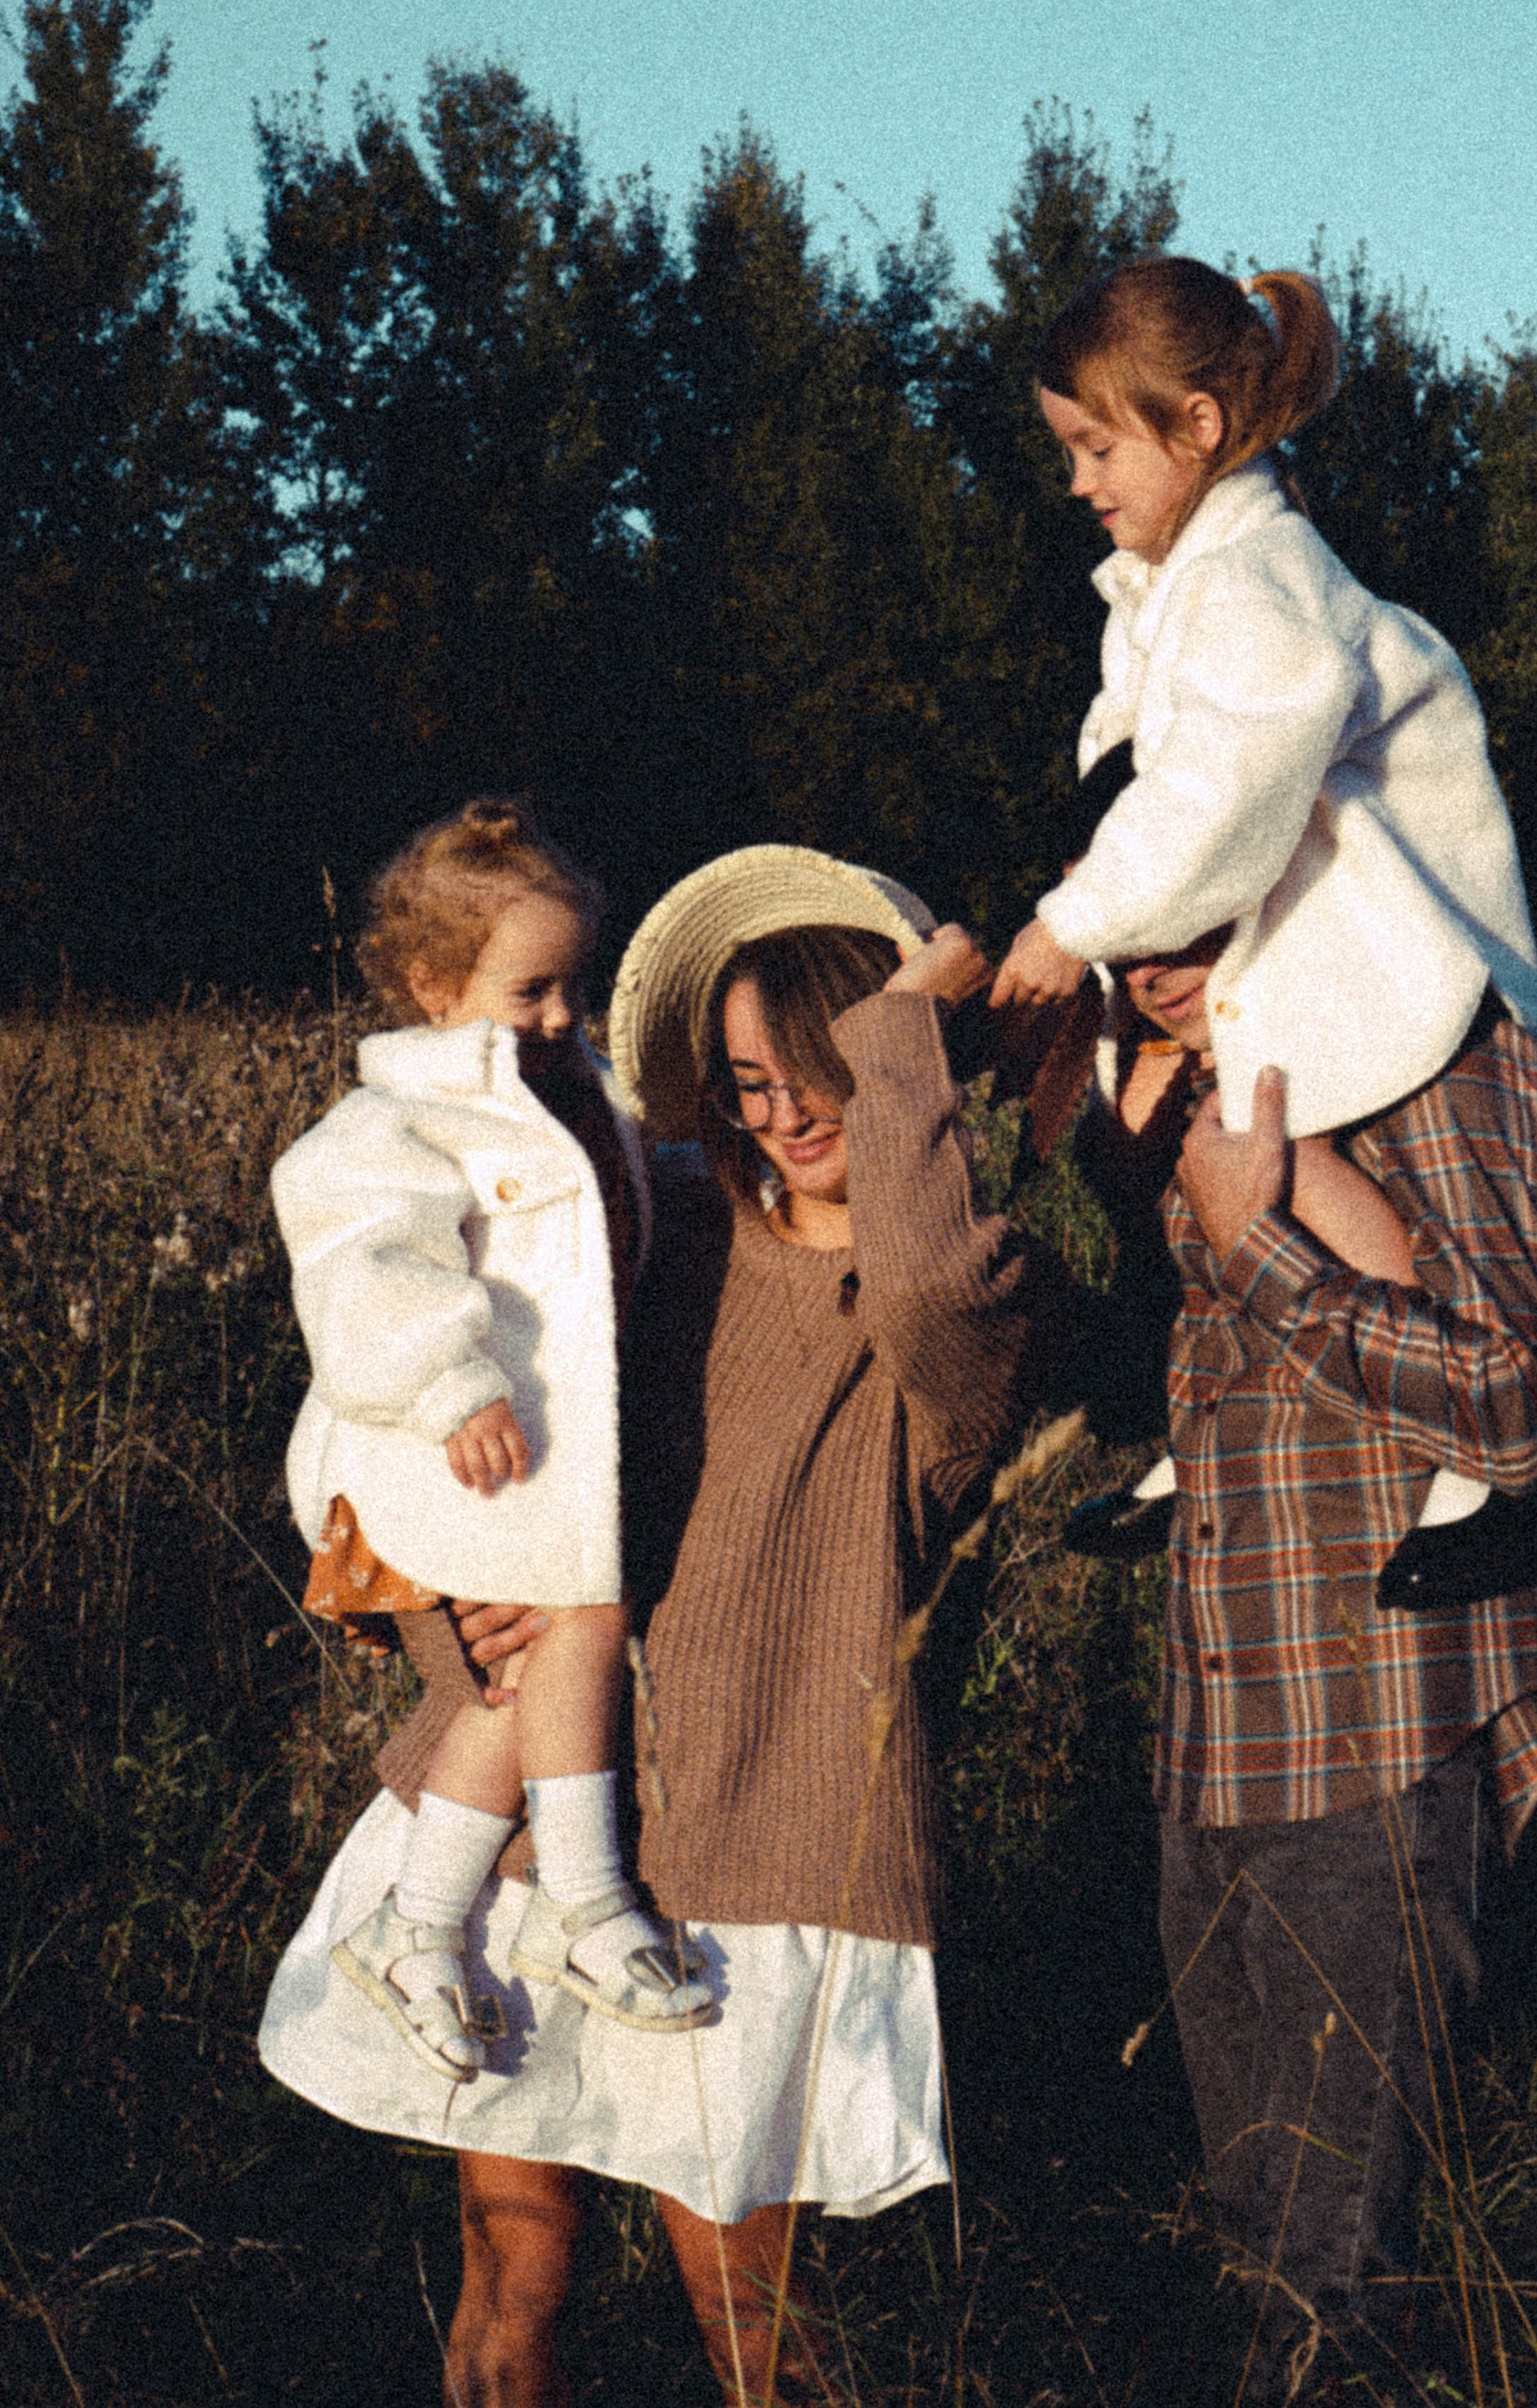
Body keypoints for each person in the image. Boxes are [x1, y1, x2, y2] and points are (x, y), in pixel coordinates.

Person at [261, 845, 1052, 2407]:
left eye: (826, 1068)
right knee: (515, 2281)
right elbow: (417, 1406)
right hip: (540, 1827)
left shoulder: (985, 1295)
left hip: (766, 1854)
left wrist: (908, 1043)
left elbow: (924, 1291)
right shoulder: (654, 1229)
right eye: (748, 1079)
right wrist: (446, 1613)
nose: (781, 1114)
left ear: (902, 1067)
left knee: (751, 2324)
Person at [1073, 914, 1537, 2401]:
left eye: (1195, 916)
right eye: (1131, 928)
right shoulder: (1195, 1083)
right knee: (1255, 2245)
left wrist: (1264, 1252)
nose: (1153, 959)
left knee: (1335, 2281)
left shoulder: (1446, 1068)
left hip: (1365, 1734)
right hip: (1217, 1730)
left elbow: (1510, 1407)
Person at [269, 800, 711, 2086]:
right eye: (530, 989)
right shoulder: (397, 1125)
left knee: (529, 1670)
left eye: (573, 982)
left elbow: (623, 1200)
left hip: (528, 1451)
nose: (561, 1013)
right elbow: (360, 1264)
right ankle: (581, 1895)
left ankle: (418, 1929)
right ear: (431, 987)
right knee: (578, 1617)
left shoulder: (569, 1093)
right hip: (436, 1437)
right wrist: (449, 1373)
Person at [989, 256, 1537, 1152]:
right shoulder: (1177, 591)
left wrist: (1073, 926)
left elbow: (1219, 789)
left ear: (1199, 425)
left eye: (1098, 448)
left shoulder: (1249, 581)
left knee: (1432, 1280)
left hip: (1414, 1022)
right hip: (1350, 1026)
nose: (1077, 481)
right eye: (1068, 453)